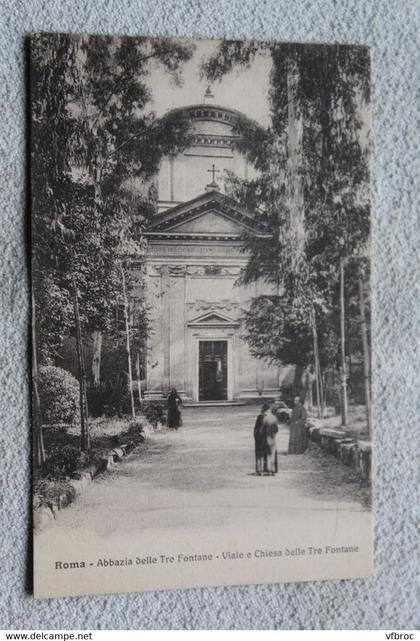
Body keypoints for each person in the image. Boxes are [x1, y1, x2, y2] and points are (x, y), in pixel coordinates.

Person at [262, 404, 279, 475]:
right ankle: (273, 470)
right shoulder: (274, 418)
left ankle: (268, 470)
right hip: (273, 438)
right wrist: (274, 433)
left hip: (266, 437)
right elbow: (277, 429)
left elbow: (262, 429)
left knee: (267, 454)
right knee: (272, 454)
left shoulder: (265, 418)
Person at [254, 404, 269, 475]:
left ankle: (259, 469)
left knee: (260, 453)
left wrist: (256, 436)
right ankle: (267, 469)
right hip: (266, 437)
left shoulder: (259, 416)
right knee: (267, 453)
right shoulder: (270, 417)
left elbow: (256, 428)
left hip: (259, 437)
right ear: (267, 410)